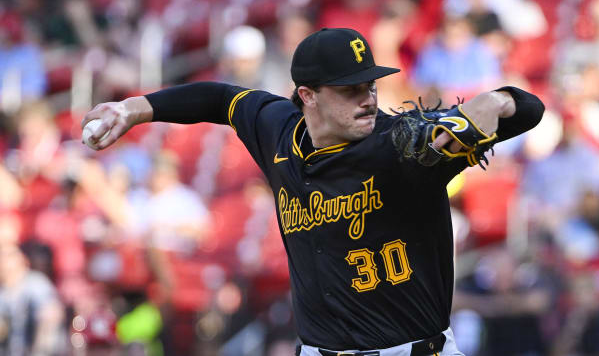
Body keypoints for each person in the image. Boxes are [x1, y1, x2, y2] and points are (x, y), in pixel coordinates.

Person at [82, 27, 544, 354]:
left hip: (414, 350)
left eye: (371, 85)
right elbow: (220, 99)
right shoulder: (277, 131)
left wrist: (500, 99)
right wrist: (134, 109)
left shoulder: (404, 145)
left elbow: (529, 111)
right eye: (350, 89)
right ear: (308, 96)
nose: (368, 97)